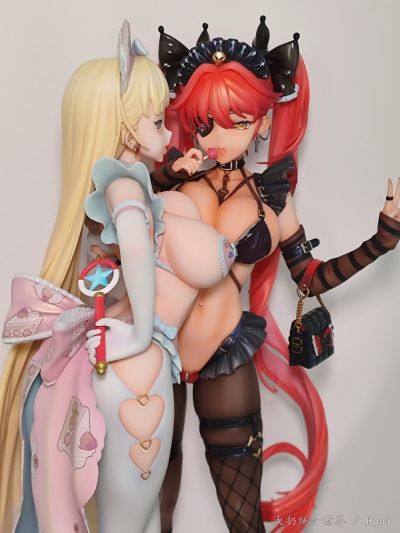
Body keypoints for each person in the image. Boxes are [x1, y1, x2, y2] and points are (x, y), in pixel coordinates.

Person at [152, 18, 400, 533]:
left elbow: (308, 277)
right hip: (158, 346)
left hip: (224, 352)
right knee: (152, 509)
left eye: (236, 121)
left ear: (262, 123)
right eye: (204, 123)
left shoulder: (273, 197)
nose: (218, 137)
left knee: (243, 520)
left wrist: (381, 241)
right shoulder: (171, 178)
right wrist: (161, 176)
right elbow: (117, 224)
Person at [0, 20, 236, 533]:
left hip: (106, 353)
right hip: (136, 361)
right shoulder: (124, 192)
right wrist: (140, 332)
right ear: (127, 130)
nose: (168, 133)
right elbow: (134, 247)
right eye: (156, 121)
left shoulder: (110, 191)